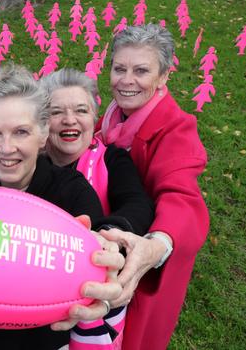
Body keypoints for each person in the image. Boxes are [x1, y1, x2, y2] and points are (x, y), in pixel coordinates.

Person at [0, 65, 124, 350]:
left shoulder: (72, 192)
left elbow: (102, 244)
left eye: (20, 132)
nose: (6, 147)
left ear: (42, 135)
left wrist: (112, 252)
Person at [96, 24, 209, 349]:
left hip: (142, 259)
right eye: (120, 68)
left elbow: (182, 197)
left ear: (163, 77)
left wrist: (157, 245)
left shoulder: (176, 129)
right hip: (110, 240)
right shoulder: (114, 115)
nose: (126, 80)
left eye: (141, 71)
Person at [40, 68, 155, 348]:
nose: (70, 120)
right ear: (42, 121)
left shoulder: (112, 159)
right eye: (56, 112)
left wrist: (106, 237)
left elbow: (137, 204)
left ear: (94, 117)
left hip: (93, 294)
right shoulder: (27, 164)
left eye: (81, 110)